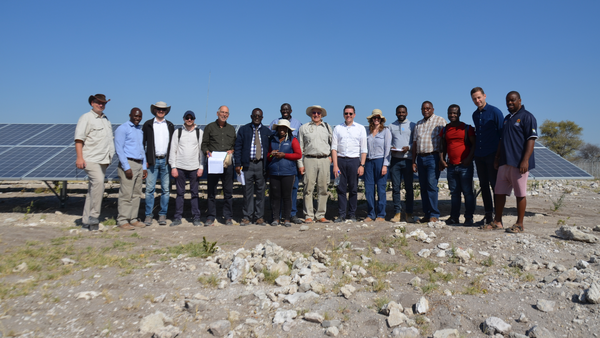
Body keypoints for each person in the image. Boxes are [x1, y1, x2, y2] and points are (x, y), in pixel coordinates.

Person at [485, 91, 537, 233]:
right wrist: (497, 158)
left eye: (512, 100)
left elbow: (531, 140)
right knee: (499, 192)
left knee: (520, 194)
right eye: (507, 101)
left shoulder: (527, 117)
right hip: (504, 163)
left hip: (519, 164)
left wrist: (525, 160)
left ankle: (519, 224)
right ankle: (497, 221)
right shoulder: (507, 118)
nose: (510, 103)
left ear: (519, 100)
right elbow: (502, 140)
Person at [74, 94, 115, 231]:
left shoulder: (105, 120)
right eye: (98, 103)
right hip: (91, 158)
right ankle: (94, 216)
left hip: (103, 160)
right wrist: (79, 158)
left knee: (93, 190)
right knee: (99, 184)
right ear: (92, 103)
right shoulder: (86, 118)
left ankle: (86, 221)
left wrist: (109, 157)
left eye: (103, 103)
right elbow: (79, 139)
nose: (101, 105)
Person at [471, 87, 504, 225]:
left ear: (484, 96)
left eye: (479, 97)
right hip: (479, 155)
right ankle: (488, 215)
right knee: (483, 185)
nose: (477, 101)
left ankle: (498, 217)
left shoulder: (495, 112)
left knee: (495, 185)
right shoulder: (475, 115)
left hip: (492, 155)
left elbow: (502, 135)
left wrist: (498, 157)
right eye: (474, 99)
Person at [439, 104, 476, 226]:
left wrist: (468, 159)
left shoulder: (467, 128)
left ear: (459, 114)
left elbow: (474, 145)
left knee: (467, 192)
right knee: (454, 193)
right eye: (450, 113)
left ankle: (469, 218)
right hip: (451, 166)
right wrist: (442, 160)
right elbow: (442, 146)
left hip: (464, 166)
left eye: (455, 113)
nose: (452, 115)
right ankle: (454, 217)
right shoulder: (445, 129)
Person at [234, 108, 271, 226]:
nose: (256, 118)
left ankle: (259, 217)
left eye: (259, 116)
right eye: (255, 116)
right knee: (247, 192)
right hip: (247, 165)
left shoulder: (267, 131)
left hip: (261, 165)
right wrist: (238, 164)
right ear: (251, 116)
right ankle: (247, 216)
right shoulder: (243, 130)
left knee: (261, 192)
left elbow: (270, 148)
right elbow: (238, 147)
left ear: (262, 118)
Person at [412, 101, 446, 223]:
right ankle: (426, 214)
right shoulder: (418, 124)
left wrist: (442, 159)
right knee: (423, 187)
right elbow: (415, 144)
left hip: (433, 157)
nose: (426, 110)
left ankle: (434, 214)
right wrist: (413, 161)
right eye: (423, 108)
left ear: (433, 109)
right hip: (420, 158)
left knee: (431, 186)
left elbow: (444, 141)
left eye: (428, 108)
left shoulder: (440, 121)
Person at [332, 105, 368, 223]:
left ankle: (352, 214)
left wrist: (361, 165)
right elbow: (334, 148)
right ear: (343, 114)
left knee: (353, 189)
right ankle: (341, 214)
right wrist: (335, 166)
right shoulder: (337, 128)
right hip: (341, 161)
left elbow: (363, 149)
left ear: (354, 115)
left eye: (350, 113)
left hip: (354, 161)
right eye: (346, 113)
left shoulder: (360, 128)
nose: (348, 115)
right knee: (341, 189)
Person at [297, 105, 333, 223]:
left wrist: (331, 158)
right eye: (314, 113)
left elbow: (333, 145)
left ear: (321, 114)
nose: (316, 115)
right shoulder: (303, 128)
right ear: (310, 114)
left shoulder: (327, 127)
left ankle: (320, 215)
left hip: (324, 160)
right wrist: (300, 164)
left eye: (318, 113)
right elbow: (300, 147)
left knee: (323, 188)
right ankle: (309, 215)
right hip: (309, 160)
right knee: (308, 188)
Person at [169, 111, 205, 226]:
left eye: (191, 118)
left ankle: (196, 217)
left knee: (195, 193)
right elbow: (173, 150)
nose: (189, 120)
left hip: (195, 167)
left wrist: (201, 167)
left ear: (194, 119)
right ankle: (177, 217)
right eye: (187, 118)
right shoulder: (178, 132)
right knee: (180, 193)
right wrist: (173, 167)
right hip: (180, 167)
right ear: (184, 118)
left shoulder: (199, 133)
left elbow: (201, 152)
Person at [202, 106, 236, 226]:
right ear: (217, 113)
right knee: (212, 191)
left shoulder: (231, 129)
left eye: (226, 113)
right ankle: (211, 216)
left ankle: (227, 217)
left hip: (227, 163)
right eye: (222, 112)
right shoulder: (210, 127)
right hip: (214, 163)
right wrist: (207, 152)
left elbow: (235, 145)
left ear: (228, 115)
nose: (224, 114)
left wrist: (232, 150)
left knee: (228, 191)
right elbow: (204, 144)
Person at [114, 108, 148, 230]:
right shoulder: (123, 129)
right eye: (135, 116)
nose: (137, 118)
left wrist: (144, 167)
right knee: (126, 193)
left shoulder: (140, 130)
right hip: (129, 163)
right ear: (130, 115)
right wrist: (126, 167)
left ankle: (133, 218)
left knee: (136, 193)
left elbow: (142, 149)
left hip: (139, 164)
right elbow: (119, 149)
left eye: (139, 117)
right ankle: (122, 220)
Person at [142, 101, 175, 226]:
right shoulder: (148, 124)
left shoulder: (170, 125)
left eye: (163, 109)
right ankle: (148, 215)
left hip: (166, 161)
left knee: (166, 190)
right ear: (155, 110)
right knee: (149, 189)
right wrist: (144, 161)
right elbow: (142, 144)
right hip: (152, 161)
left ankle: (162, 214)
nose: (161, 111)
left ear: (166, 111)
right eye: (159, 109)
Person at [270, 103, 303, 224]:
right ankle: (276, 217)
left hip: (289, 170)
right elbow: (268, 155)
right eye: (280, 128)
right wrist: (271, 155)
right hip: (275, 171)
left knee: (289, 194)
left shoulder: (294, 136)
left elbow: (298, 153)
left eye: (287, 109)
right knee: (276, 195)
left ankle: (289, 216)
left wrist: (285, 155)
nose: (282, 130)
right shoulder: (273, 139)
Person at [388, 105, 415, 223]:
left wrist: (408, 147)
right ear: (396, 113)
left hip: (408, 160)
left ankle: (409, 213)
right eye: (399, 112)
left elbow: (416, 143)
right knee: (396, 188)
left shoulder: (412, 125)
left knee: (409, 188)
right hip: (395, 161)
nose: (401, 114)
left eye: (403, 112)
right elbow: (387, 142)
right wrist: (391, 148)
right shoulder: (390, 126)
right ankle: (397, 213)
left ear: (407, 113)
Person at [364, 109, 391, 222]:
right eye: (374, 118)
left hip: (380, 161)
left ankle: (381, 214)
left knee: (381, 189)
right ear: (371, 119)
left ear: (381, 120)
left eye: (378, 118)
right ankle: (371, 214)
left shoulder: (386, 131)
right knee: (369, 189)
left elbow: (387, 149)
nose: (376, 119)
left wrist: (385, 165)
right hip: (369, 161)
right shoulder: (367, 132)